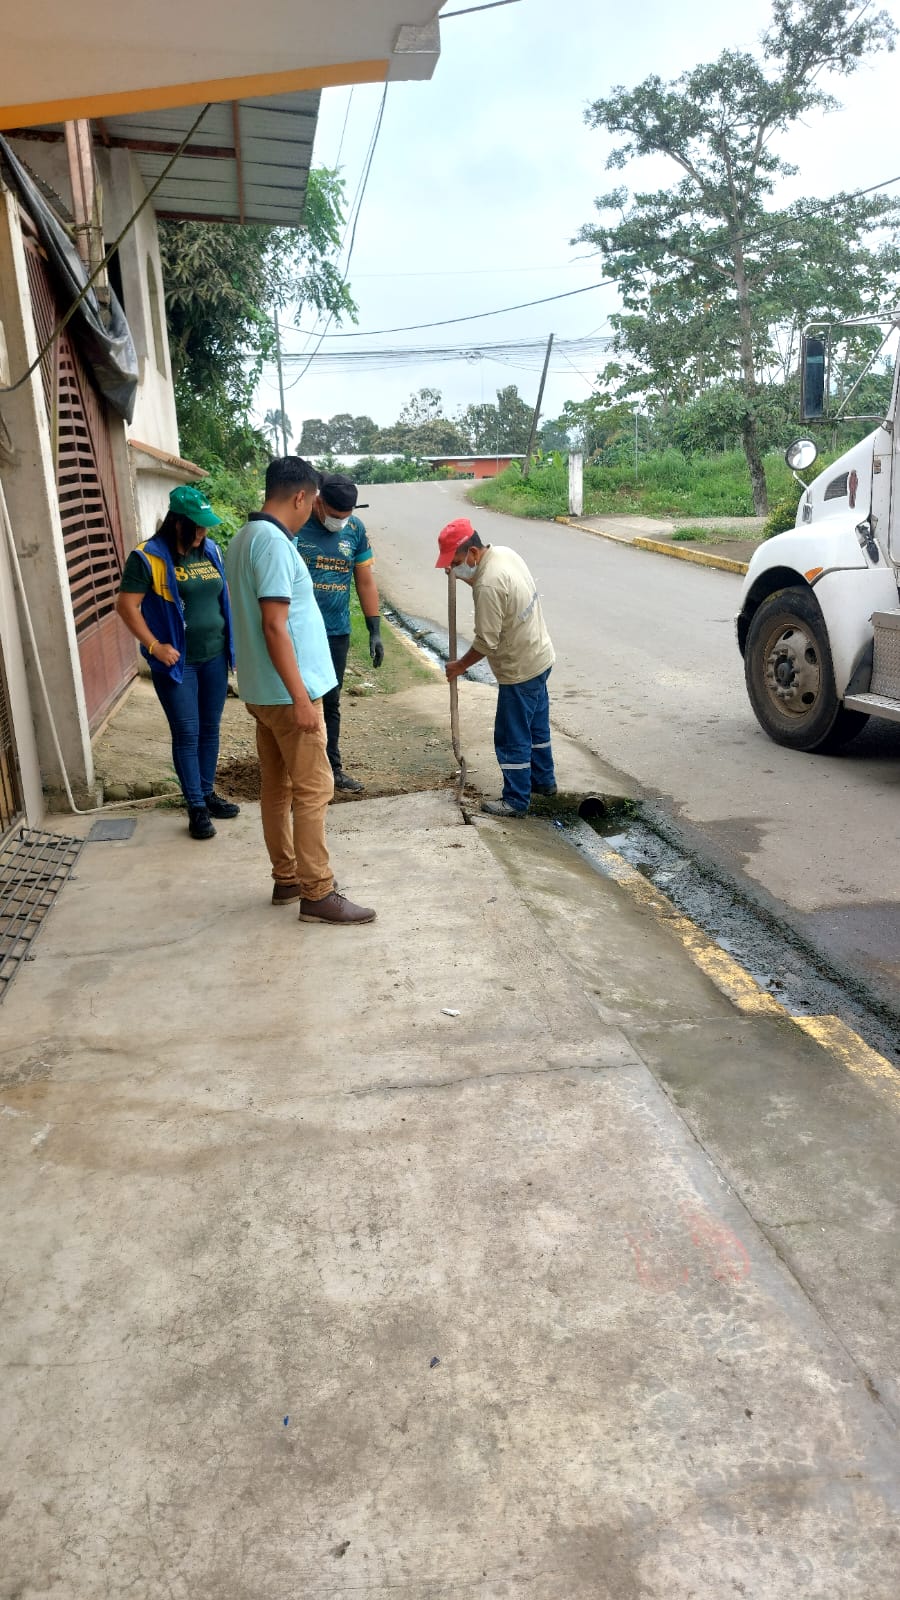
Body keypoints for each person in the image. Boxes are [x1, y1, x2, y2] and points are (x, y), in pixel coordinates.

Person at [224, 456, 376, 924]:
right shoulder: (272, 543)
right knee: (314, 789)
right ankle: (318, 891)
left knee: (278, 787)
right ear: (300, 497)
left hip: (262, 690)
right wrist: (300, 698)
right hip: (288, 694)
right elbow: (274, 625)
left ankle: (287, 878)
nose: (313, 511)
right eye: (312, 502)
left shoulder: (244, 537)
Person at [116, 483, 239, 840]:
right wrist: (154, 646)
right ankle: (196, 807)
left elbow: (221, 597)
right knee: (187, 731)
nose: (203, 533)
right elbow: (126, 606)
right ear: (177, 523)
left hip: (214, 655)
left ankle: (207, 793)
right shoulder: (148, 557)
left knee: (210, 728)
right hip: (178, 663)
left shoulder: (210, 551)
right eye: (197, 527)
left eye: (205, 527)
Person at [437, 517, 557, 818]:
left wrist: (460, 666)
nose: (454, 570)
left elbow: (486, 642)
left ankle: (515, 800)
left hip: (519, 669)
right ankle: (543, 781)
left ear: (473, 552)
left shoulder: (488, 585)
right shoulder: (504, 554)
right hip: (540, 656)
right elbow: (495, 592)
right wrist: (464, 576)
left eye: (456, 563)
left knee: (511, 735)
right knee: (536, 726)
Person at [293, 473, 383, 792]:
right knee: (297, 701)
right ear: (318, 502)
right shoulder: (296, 526)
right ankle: (296, 771)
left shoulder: (355, 530)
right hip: (299, 632)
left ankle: (331, 768)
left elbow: (365, 581)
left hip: (336, 633)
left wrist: (374, 629)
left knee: (330, 702)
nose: (340, 522)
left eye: (346, 516)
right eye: (334, 515)